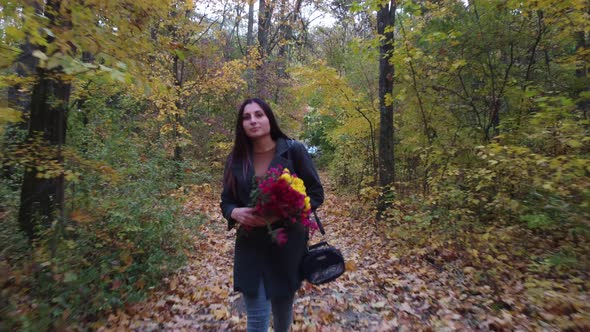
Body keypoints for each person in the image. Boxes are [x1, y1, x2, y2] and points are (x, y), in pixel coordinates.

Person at [220, 98, 324, 332]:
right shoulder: (236, 159)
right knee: (256, 319)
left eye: (259, 115)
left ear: (269, 118)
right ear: (241, 124)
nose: (253, 121)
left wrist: (285, 213)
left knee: (282, 312)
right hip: (250, 245)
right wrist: (235, 212)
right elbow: (226, 201)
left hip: (287, 244)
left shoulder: (293, 150)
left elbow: (316, 193)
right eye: (247, 117)